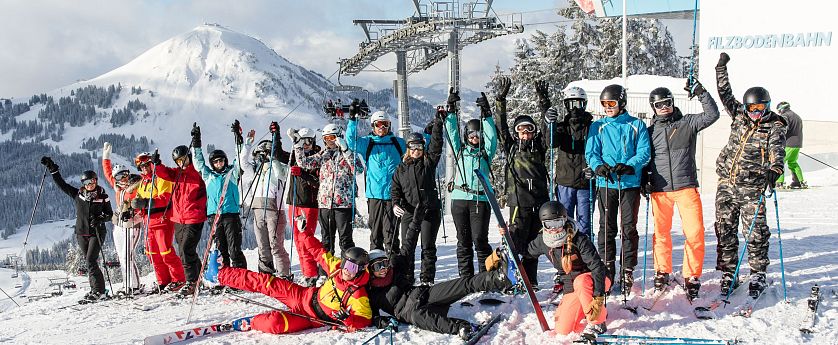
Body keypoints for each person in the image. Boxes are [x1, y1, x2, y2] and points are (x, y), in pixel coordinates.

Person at [714, 52, 787, 297]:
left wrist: (775, 169)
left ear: (767, 106)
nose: (755, 112)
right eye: (751, 108)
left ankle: (757, 273)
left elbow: (778, 151)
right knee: (725, 229)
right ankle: (729, 273)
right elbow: (724, 93)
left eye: (760, 108)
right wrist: (721, 68)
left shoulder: (774, 127)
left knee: (755, 232)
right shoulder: (739, 115)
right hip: (726, 183)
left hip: (751, 188)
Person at [214, 229, 373, 334]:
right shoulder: (337, 268)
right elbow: (318, 252)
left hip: (310, 318)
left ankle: (253, 322)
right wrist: (304, 232)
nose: (346, 270)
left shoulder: (358, 294)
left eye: (352, 267)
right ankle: (219, 275)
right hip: (303, 295)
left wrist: (348, 319)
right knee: (265, 281)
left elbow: (365, 319)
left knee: (275, 323)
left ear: (361, 269)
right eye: (345, 263)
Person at [644, 81, 720, 300]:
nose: (664, 108)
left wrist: (701, 93)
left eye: (667, 103)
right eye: (659, 105)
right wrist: (643, 180)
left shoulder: (687, 123)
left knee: (695, 233)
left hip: (686, 186)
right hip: (661, 190)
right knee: (661, 234)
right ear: (653, 107)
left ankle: (692, 275)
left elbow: (712, 115)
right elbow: (644, 158)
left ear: (672, 102)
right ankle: (662, 272)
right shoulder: (649, 132)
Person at [502, 201, 609, 338]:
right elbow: (526, 252)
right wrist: (509, 235)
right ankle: (586, 307)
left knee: (581, 281)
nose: (554, 229)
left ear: (564, 220)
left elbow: (597, 267)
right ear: (543, 224)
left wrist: (598, 296)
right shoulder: (543, 241)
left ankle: (598, 323)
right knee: (563, 329)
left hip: (596, 280)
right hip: (572, 286)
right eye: (549, 224)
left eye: (557, 223)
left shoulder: (579, 239)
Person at [585, 84, 651, 292]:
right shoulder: (598, 126)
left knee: (628, 228)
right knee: (606, 227)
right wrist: (598, 166)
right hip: (607, 183)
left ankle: (627, 270)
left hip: (629, 183)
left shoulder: (636, 125)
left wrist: (631, 165)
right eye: (604, 103)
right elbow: (591, 152)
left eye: (611, 103)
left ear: (621, 103)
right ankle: (607, 269)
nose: (607, 107)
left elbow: (644, 152)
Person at [366, 248, 513, 340]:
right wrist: (383, 322)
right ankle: (463, 328)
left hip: (424, 294)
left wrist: (415, 217)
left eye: (385, 263)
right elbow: (371, 317)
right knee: (418, 316)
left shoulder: (395, 271)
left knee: (463, 284)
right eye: (378, 266)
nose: (383, 269)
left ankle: (499, 278)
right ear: (370, 270)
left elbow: (408, 244)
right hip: (410, 313)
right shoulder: (372, 293)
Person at [494, 79, 552, 287]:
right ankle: (513, 278)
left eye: (529, 130)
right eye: (521, 130)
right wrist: (500, 100)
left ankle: (531, 279)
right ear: (516, 132)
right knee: (516, 241)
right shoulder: (511, 147)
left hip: (539, 201)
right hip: (519, 202)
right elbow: (500, 126)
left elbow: (548, 126)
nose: (525, 134)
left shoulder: (539, 146)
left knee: (533, 244)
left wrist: (544, 102)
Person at [443, 88, 499, 279]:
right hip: (459, 200)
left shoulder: (485, 153)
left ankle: (486, 277)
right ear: (466, 135)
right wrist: (451, 111)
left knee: (480, 240)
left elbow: (492, 138)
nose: (475, 138)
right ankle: (466, 278)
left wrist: (487, 115)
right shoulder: (460, 151)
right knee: (463, 241)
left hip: (480, 200)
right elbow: (451, 133)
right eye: (471, 134)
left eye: (478, 134)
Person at [40, 157, 114, 302]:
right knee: (89, 262)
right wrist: (53, 170)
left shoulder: (103, 196)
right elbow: (62, 185)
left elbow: (109, 214)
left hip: (97, 233)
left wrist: (100, 219)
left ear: (96, 181)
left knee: (91, 260)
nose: (90, 184)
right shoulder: (78, 195)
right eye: (86, 182)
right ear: (83, 184)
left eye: (92, 181)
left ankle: (99, 292)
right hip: (81, 233)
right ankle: (95, 290)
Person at [346, 101, 407, 253]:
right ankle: (376, 263)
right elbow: (351, 142)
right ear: (373, 126)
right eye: (378, 124)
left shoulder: (398, 143)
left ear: (389, 126)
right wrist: (352, 120)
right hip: (374, 196)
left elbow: (417, 149)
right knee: (375, 234)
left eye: (385, 124)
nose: (382, 128)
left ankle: (393, 263)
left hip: (393, 197)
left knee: (391, 234)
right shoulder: (368, 143)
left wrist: (428, 134)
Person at [295, 123, 362, 258]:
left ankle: (348, 268)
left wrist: (346, 150)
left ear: (339, 137)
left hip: (343, 204)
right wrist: (298, 145)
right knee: (326, 241)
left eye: (332, 137)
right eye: (326, 138)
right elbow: (304, 163)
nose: (329, 141)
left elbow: (359, 169)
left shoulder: (348, 154)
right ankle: (326, 269)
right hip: (325, 203)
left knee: (345, 241)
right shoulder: (323, 155)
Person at [390, 117, 444, 285]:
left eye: (419, 147)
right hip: (409, 212)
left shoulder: (428, 163)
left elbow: (436, 146)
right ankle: (407, 279)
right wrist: (395, 203)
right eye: (413, 147)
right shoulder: (401, 169)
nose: (416, 150)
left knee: (428, 247)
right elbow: (395, 189)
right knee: (408, 248)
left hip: (429, 211)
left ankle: (427, 280)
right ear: (408, 148)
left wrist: (438, 125)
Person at [238, 121, 292, 279]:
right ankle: (266, 273)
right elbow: (242, 162)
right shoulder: (255, 169)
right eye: (260, 154)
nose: (262, 157)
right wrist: (248, 143)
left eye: (265, 154)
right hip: (258, 210)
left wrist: (273, 157)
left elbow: (281, 174)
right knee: (262, 244)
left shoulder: (279, 168)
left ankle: (284, 274)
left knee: (275, 245)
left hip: (274, 210)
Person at [153, 144, 208, 297]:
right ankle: (199, 277)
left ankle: (191, 282)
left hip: (194, 218)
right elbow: (164, 173)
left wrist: (197, 143)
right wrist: (157, 164)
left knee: (185, 250)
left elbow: (201, 164)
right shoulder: (176, 173)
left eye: (183, 159)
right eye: (178, 161)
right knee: (187, 250)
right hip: (178, 218)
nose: (181, 162)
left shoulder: (196, 173)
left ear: (189, 157)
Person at [191, 123, 246, 270]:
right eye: (215, 161)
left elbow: (240, 158)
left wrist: (238, 138)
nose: (219, 163)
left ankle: (240, 275)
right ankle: (226, 276)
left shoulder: (232, 173)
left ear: (225, 161)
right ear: (212, 164)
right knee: (221, 250)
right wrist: (196, 142)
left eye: (221, 160)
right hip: (214, 216)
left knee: (234, 249)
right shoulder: (208, 176)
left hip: (231, 215)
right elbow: (198, 163)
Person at [133, 151, 187, 292]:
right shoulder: (143, 182)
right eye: (142, 166)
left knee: (166, 252)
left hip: (162, 220)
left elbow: (166, 198)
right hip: (148, 222)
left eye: (147, 165)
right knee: (153, 254)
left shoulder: (160, 178)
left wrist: (147, 203)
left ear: (152, 164)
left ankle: (179, 279)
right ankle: (163, 281)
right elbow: (139, 201)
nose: (145, 168)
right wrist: (135, 208)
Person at [548, 86, 595, 236]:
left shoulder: (592, 128)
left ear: (584, 104)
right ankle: (565, 249)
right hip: (565, 182)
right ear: (566, 105)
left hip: (585, 182)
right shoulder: (562, 127)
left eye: (578, 104)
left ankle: (585, 248)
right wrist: (550, 124)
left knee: (584, 224)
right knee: (564, 221)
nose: (575, 109)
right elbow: (551, 142)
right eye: (571, 104)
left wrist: (595, 168)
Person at [101, 143, 143, 295]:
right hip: (118, 225)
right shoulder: (117, 186)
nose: (123, 178)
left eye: (125, 175)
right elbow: (107, 173)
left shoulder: (136, 186)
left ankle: (135, 286)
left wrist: (134, 213)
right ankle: (127, 285)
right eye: (119, 176)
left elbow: (143, 204)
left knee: (127, 256)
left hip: (132, 224)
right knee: (121, 256)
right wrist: (106, 157)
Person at [285, 127, 322, 286]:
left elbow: (319, 182)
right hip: (294, 202)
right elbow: (278, 154)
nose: (305, 144)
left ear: (313, 141)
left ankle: (311, 274)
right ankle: (307, 273)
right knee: (298, 240)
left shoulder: (318, 158)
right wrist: (277, 134)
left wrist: (303, 174)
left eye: (308, 141)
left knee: (305, 239)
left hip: (309, 204)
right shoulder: (295, 156)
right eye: (302, 141)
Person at [775, 101, 806, 189]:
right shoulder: (797, 116)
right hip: (797, 144)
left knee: (780, 162)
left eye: (779, 110)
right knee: (792, 162)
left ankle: (779, 182)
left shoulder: (785, 116)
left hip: (789, 143)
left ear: (782, 109)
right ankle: (799, 181)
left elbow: (782, 128)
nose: (779, 112)